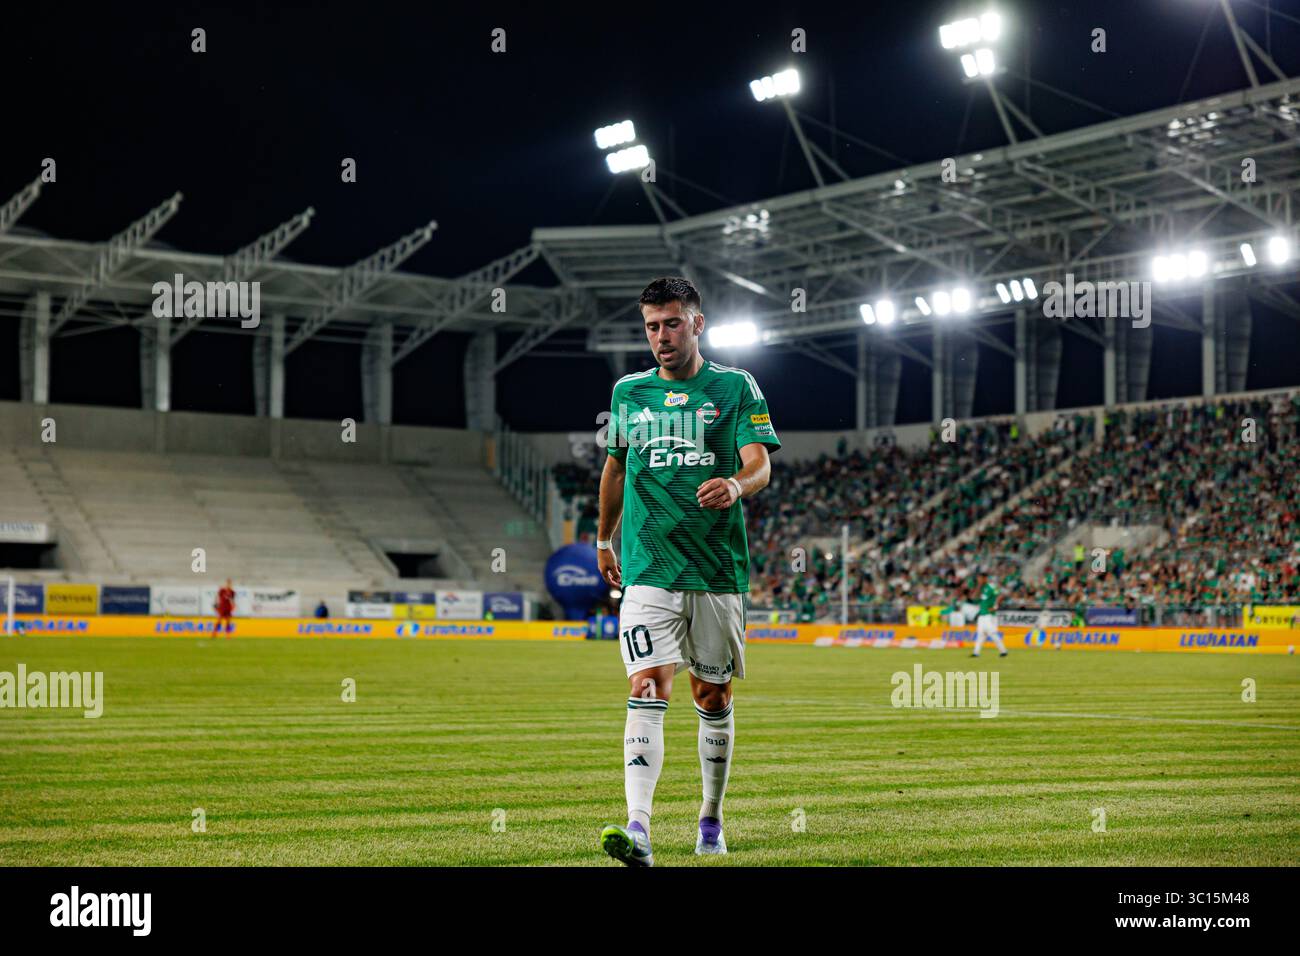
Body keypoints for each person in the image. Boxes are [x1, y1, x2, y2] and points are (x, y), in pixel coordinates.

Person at [596, 277, 780, 866]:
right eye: (651, 326)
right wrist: (603, 537)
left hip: (717, 571)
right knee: (646, 683)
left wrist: (734, 483)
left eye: (671, 323)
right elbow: (616, 471)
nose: (660, 337)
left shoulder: (735, 387)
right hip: (649, 567)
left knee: (712, 694)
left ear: (697, 323)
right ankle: (639, 828)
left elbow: (759, 466)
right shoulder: (629, 393)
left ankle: (710, 819)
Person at [971, 572, 1007, 657]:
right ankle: (976, 653)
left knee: (992, 633)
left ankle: (1003, 651)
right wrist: (979, 586)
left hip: (989, 614)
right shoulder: (980, 588)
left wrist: (995, 607)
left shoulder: (991, 587)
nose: (978, 580)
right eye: (978, 578)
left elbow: (1001, 595)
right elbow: (974, 597)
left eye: (980, 578)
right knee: (980, 634)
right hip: (982, 614)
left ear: (985, 578)